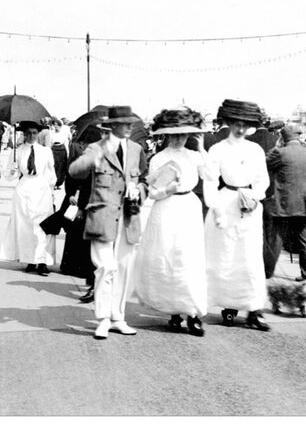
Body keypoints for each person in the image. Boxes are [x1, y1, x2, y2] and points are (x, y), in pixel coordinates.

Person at [68, 106, 148, 338]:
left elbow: (142, 178)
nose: (130, 127)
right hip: (102, 216)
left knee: (123, 268)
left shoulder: (136, 149)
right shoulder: (95, 148)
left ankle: (118, 317)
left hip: (128, 216)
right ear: (112, 126)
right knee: (105, 267)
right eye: (125, 123)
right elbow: (75, 171)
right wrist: (96, 157)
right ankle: (103, 319)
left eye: (131, 123)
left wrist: (139, 191)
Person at [132, 107, 211, 336]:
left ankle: (193, 314)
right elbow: (152, 192)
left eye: (184, 134)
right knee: (167, 258)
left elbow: (209, 175)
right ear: (167, 135)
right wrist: (167, 189)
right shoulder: (159, 158)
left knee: (189, 259)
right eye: (175, 134)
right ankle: (173, 310)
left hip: (188, 208)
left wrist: (203, 147)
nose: (180, 139)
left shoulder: (194, 156)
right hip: (166, 208)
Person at [203, 99, 271, 330]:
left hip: (249, 206)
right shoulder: (217, 149)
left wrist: (255, 198)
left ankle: (254, 309)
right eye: (236, 124)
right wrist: (216, 208)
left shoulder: (255, 149)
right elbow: (210, 181)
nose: (240, 129)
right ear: (229, 123)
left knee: (250, 258)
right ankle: (229, 307)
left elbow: (263, 181)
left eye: (245, 124)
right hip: (226, 204)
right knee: (227, 258)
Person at [262, 121, 306, 281]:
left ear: (282, 138)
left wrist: (276, 146)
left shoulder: (280, 153)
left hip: (284, 204)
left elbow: (263, 164)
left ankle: (267, 272)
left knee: (276, 240)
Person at [0, 120, 58, 274]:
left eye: (34, 133)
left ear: (38, 134)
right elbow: (9, 176)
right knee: (25, 227)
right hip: (24, 189)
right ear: (23, 134)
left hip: (41, 190)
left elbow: (51, 174)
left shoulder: (46, 151)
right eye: (28, 133)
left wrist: (50, 191)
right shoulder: (18, 151)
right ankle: (29, 260)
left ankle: (43, 261)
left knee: (43, 226)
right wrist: (12, 169)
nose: (31, 136)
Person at [59, 122, 99, 302]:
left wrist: (71, 195)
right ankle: (89, 276)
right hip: (86, 201)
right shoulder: (92, 154)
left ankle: (74, 267)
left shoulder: (79, 149)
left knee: (77, 236)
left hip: (83, 200)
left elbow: (72, 176)